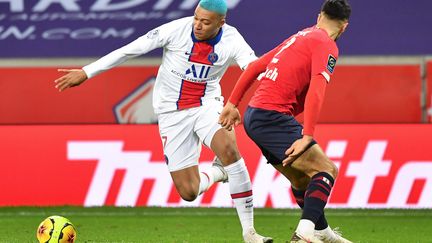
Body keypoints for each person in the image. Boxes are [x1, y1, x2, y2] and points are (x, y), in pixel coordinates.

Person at [54, 0, 272, 242]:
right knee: (189, 191)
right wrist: (87, 71)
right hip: (171, 114)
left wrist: (256, 90)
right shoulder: (175, 30)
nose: (198, 25)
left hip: (206, 105)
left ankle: (249, 232)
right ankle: (219, 173)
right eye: (196, 18)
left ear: (221, 23)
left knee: (229, 149)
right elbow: (130, 49)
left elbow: (252, 68)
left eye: (205, 22)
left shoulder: (232, 39)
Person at [218, 0, 352, 242]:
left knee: (300, 178)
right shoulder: (327, 45)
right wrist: (307, 135)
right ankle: (304, 233)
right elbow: (317, 91)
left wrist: (232, 103)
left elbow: (256, 66)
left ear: (319, 16)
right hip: (272, 116)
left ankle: (323, 232)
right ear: (344, 27)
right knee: (326, 169)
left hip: (254, 117)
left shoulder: (300, 36)